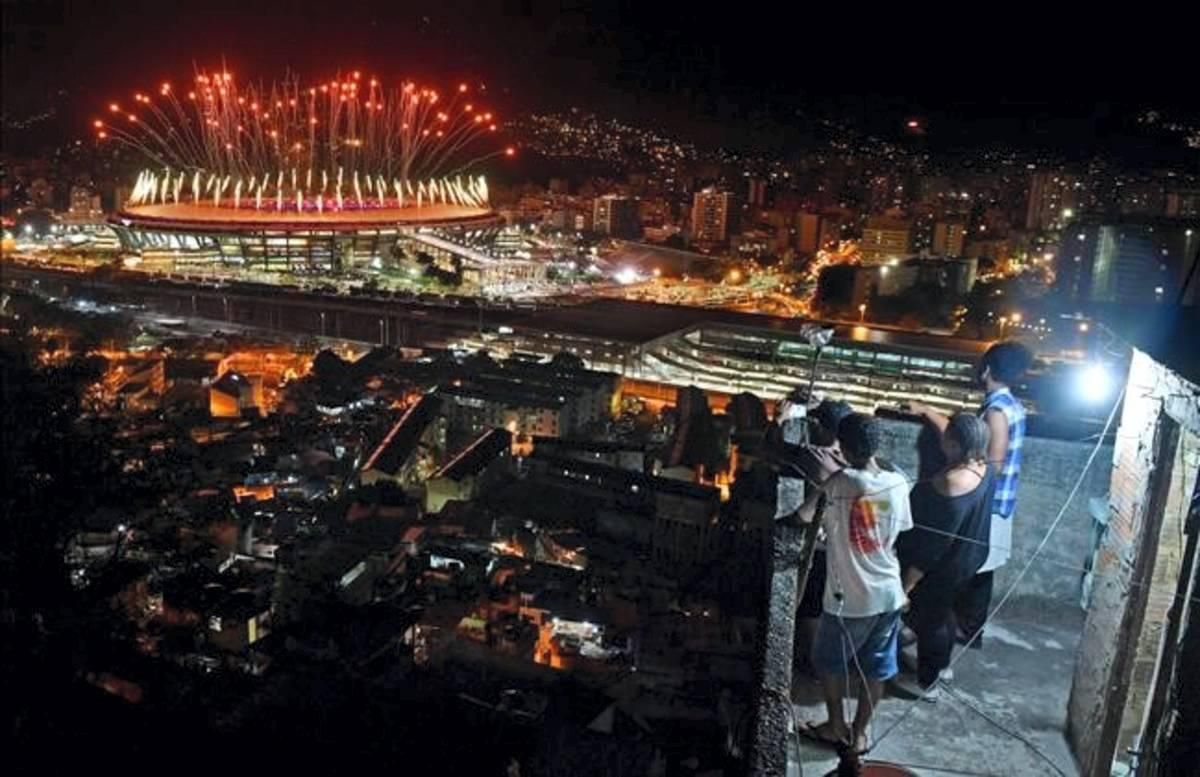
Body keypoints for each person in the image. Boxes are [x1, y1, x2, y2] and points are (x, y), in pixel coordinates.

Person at [795, 413, 913, 754]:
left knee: (828, 663)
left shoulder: (839, 482)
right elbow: (894, 531)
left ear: (843, 447)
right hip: (889, 593)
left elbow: (802, 517)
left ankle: (835, 726)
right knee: (875, 669)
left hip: (849, 598)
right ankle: (859, 734)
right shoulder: (898, 483)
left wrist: (821, 484)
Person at [907, 340, 1030, 645]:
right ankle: (965, 632)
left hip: (989, 505)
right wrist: (929, 411)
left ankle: (961, 634)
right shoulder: (1011, 404)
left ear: (986, 369)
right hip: (1000, 503)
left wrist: (966, 476)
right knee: (978, 570)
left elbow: (993, 460)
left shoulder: (996, 411)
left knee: (968, 573)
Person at [896, 414, 994, 696]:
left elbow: (933, 545)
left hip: (944, 565)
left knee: (932, 620)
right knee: (945, 613)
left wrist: (908, 584)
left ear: (954, 445)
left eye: (947, 437)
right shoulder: (984, 467)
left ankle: (928, 684)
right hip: (970, 557)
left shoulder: (951, 482)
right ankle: (942, 668)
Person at [789, 400, 853, 674]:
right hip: (850, 547)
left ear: (827, 429)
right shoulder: (853, 459)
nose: (811, 427)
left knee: (810, 607)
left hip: (823, 545)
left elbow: (775, 450)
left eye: (816, 423)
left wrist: (780, 420)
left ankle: (815, 666)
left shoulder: (815, 456)